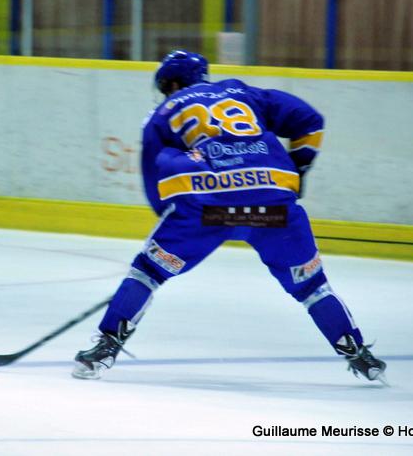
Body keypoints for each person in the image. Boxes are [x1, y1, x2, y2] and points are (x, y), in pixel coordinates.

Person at [72, 50, 387, 383]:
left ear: (175, 83)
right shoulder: (243, 92)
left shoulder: (163, 112)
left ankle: (106, 347)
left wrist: (172, 220)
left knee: (147, 272)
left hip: (211, 209)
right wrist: (298, 172)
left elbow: (155, 178)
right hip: (272, 208)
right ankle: (358, 353)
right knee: (312, 287)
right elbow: (310, 121)